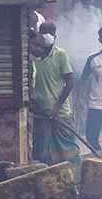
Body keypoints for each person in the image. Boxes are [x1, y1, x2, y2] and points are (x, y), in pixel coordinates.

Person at [31, 22, 80, 167]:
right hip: (41, 113)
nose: (47, 34)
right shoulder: (34, 57)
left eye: (50, 32)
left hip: (60, 113)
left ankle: (76, 177)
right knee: (43, 151)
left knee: (67, 149)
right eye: (44, 31)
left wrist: (57, 108)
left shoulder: (60, 54)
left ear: (55, 36)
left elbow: (69, 82)